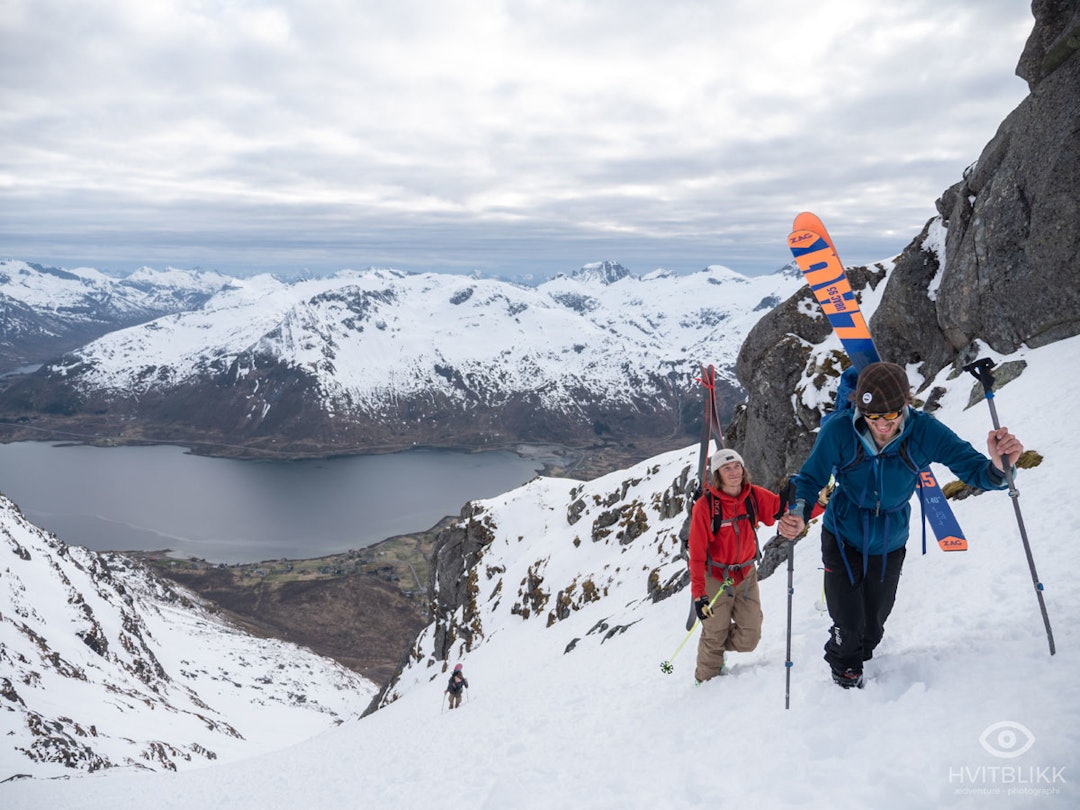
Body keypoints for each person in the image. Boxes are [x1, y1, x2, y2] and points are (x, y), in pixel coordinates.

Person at [777, 361, 1023, 689]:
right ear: (858, 408)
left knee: (873, 627)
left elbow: (974, 469)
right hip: (842, 534)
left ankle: (859, 651)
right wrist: (797, 513)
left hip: (890, 538)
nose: (881, 426)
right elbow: (809, 479)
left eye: (890, 416)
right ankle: (843, 669)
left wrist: (997, 466)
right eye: (873, 417)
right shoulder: (838, 429)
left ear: (905, 405)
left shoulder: (924, 431)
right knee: (848, 624)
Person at [689, 448, 819, 683]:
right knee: (714, 633)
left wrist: (819, 503)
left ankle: (714, 641)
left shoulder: (753, 496)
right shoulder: (705, 507)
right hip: (715, 576)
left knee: (750, 638)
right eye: (726, 468)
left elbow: (785, 511)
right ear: (717, 474)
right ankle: (704, 683)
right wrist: (699, 595)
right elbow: (697, 555)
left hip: (746, 575)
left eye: (737, 466)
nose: (733, 472)